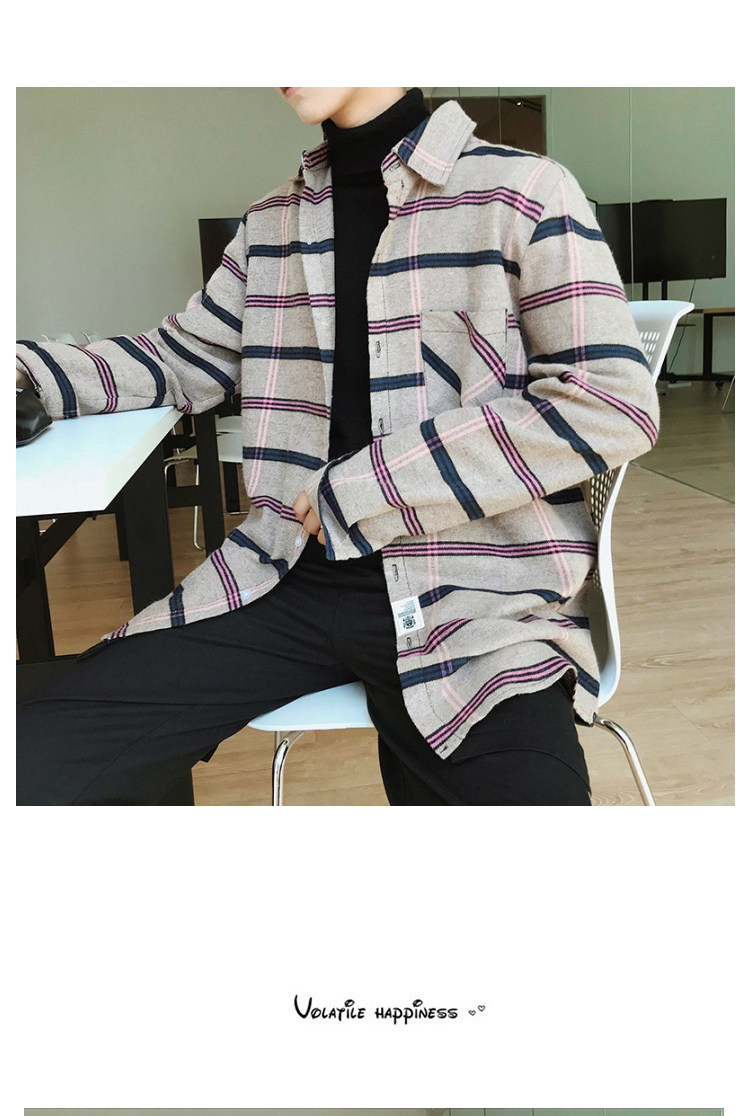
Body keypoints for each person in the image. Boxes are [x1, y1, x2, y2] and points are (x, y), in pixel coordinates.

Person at [16, 87, 659, 806]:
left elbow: (612, 402)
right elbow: (180, 357)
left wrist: (368, 485)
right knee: (33, 763)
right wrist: (25, 368)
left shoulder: (523, 191)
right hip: (284, 577)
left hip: (476, 601)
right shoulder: (272, 223)